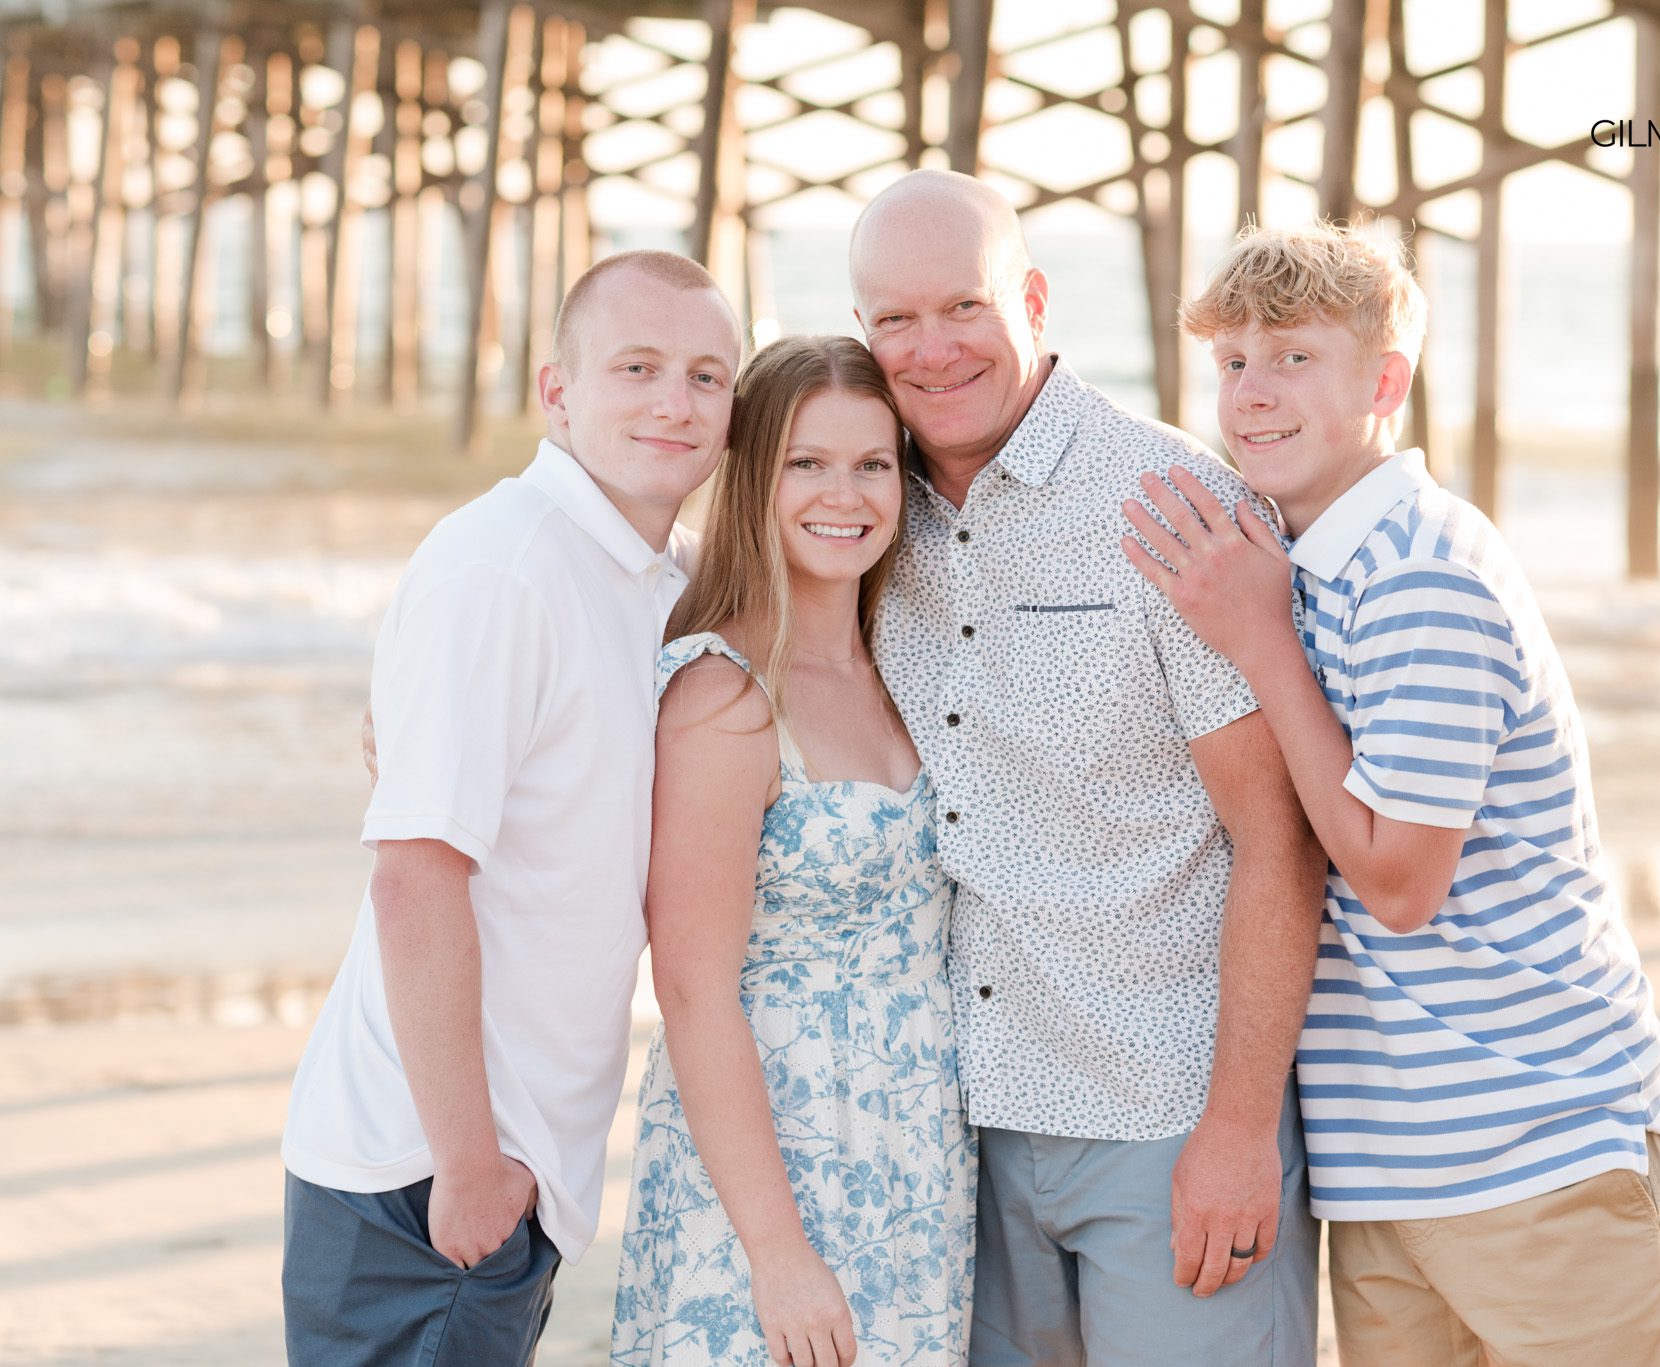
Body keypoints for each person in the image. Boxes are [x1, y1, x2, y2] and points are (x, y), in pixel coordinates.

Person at [1121, 221, 1660, 1366]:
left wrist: (1257, 642)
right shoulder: (1295, 562)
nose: (1252, 393)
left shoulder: (1420, 572)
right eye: (1232, 361)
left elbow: (1396, 881)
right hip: (1385, 1167)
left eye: (1293, 357)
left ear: (1382, 381)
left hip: (1538, 1144)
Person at [848, 170, 1327, 1365]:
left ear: (1032, 297)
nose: (930, 349)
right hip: (965, 1129)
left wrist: (1234, 1132)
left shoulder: (1171, 503)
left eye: (961, 306)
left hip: (1164, 1116)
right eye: (893, 320)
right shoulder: (859, 515)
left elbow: (1279, 842)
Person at [280, 251, 742, 1366]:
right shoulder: (504, 566)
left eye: (705, 375)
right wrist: (469, 1160)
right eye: (635, 367)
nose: (672, 402)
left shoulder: (669, 580)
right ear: (557, 390)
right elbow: (414, 878)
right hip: (421, 1168)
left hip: (508, 1161)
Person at [611, 335, 974, 1367]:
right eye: (804, 463)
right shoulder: (725, 692)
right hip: (777, 1171)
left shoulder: (904, 665)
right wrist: (777, 1253)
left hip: (912, 1163)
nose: (843, 494)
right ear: (752, 476)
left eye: (870, 463)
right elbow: (691, 988)